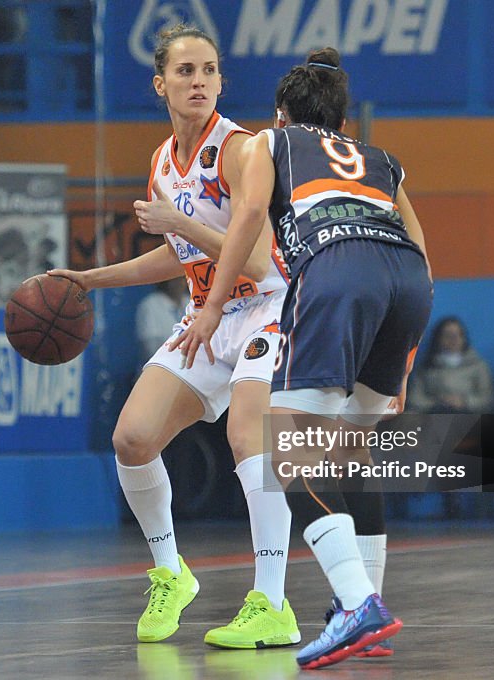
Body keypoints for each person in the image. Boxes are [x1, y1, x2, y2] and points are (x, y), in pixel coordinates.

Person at [173, 47, 433, 669]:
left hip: (340, 274)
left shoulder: (272, 143)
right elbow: (420, 247)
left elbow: (251, 215)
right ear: (343, 123)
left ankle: (355, 607)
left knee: (285, 448)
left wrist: (210, 305)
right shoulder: (382, 160)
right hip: (407, 283)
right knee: (350, 449)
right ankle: (368, 601)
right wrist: (406, 353)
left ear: (281, 114)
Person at [50, 24, 300, 649]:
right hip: (206, 313)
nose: (200, 82)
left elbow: (264, 262)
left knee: (249, 437)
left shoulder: (241, 149)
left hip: (266, 311)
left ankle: (272, 601)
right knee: (131, 439)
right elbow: (178, 252)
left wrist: (180, 221)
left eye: (210, 70)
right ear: (160, 83)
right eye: (186, 71)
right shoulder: (165, 160)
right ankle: (171, 572)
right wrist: (88, 278)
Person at [407, 316, 494, 414]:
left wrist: (464, 401)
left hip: (469, 416)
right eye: (448, 335)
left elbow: (487, 398)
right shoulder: (426, 367)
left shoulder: (478, 365)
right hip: (434, 416)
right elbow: (415, 399)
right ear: (438, 338)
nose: (454, 339)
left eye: (458, 335)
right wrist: (438, 403)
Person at [136, 278, 188, 361]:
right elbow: (151, 348)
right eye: (175, 280)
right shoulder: (150, 304)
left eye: (182, 279)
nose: (180, 283)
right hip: (162, 365)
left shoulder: (190, 301)